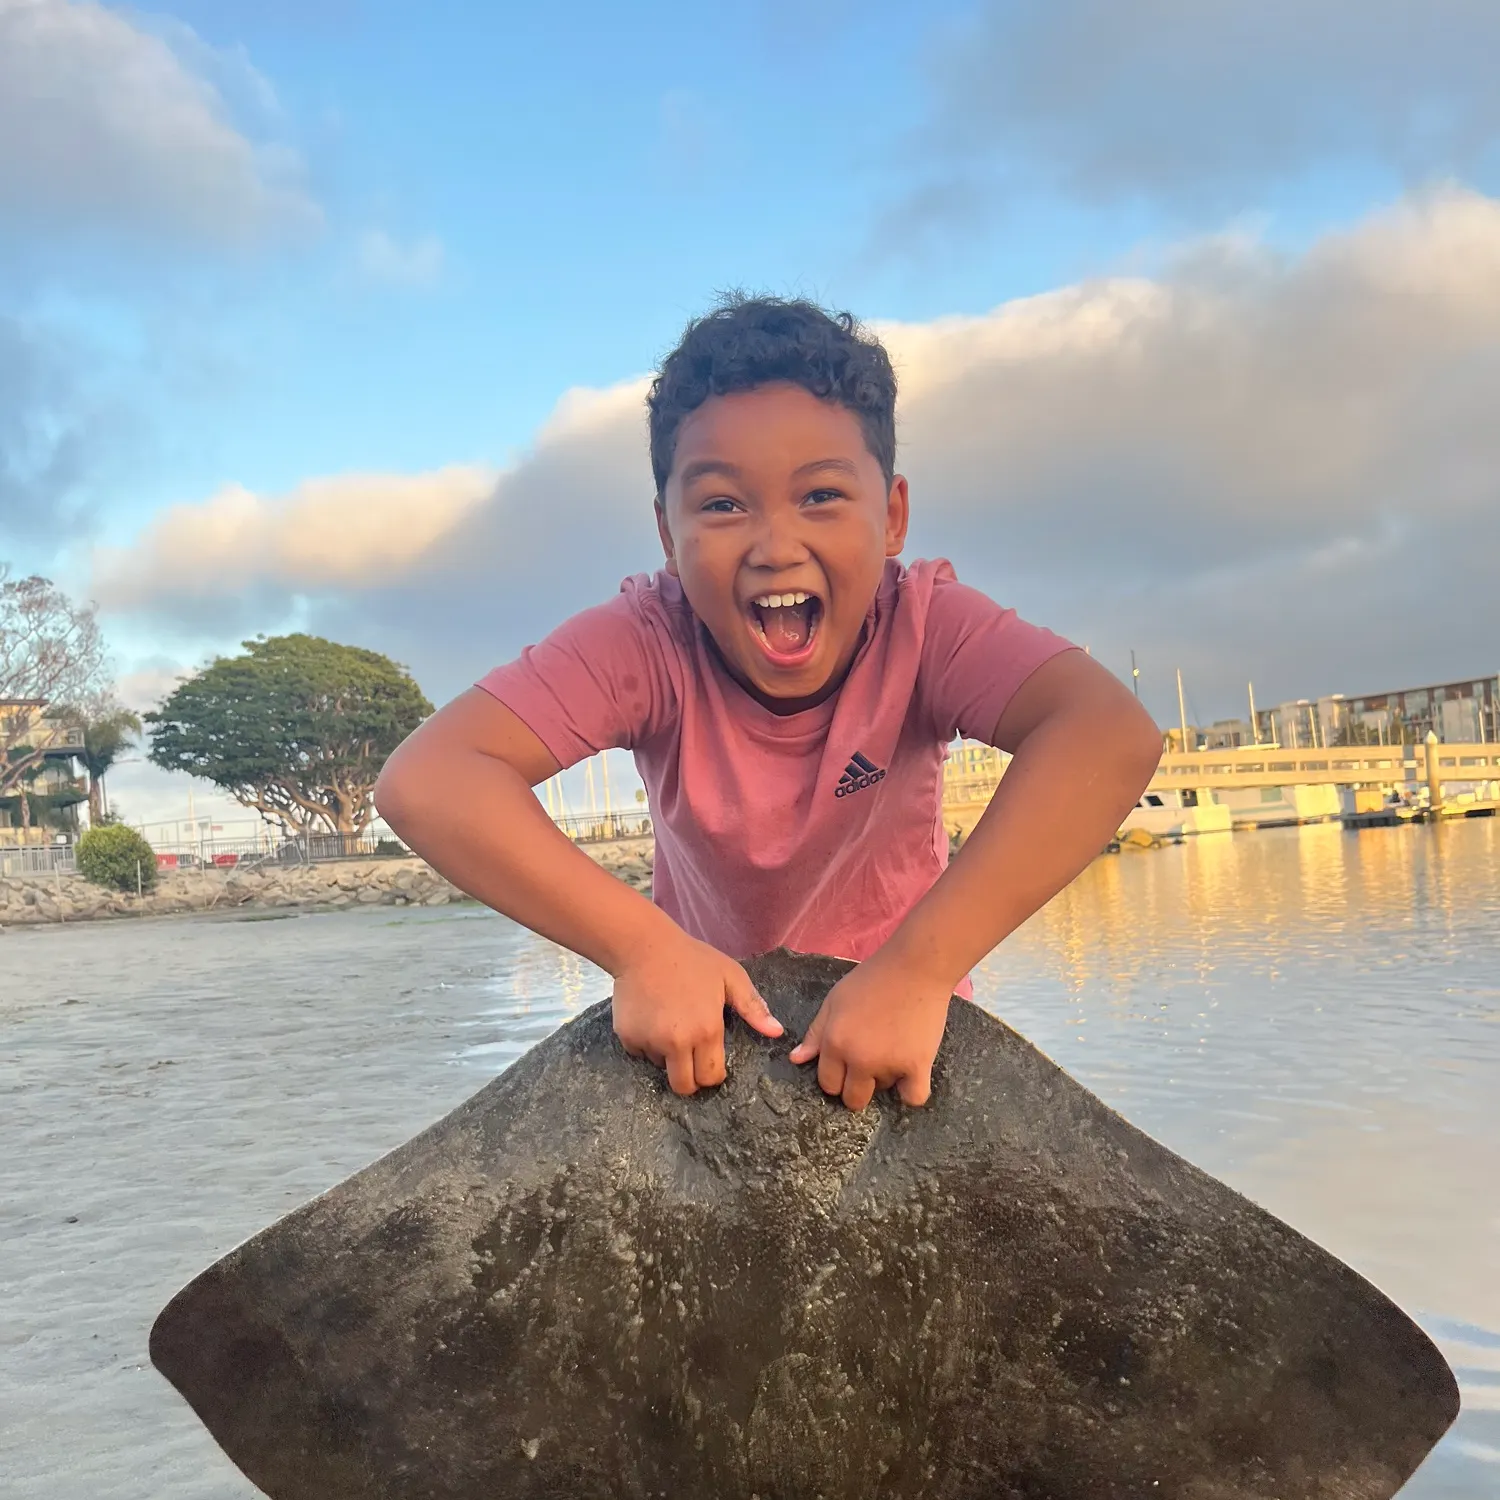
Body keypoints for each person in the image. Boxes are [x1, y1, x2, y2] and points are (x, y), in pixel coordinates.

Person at [375, 295, 1162, 1113]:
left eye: (821, 496)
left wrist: (919, 969)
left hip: (898, 1021)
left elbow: (1105, 734)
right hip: (713, 1033)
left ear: (891, 516)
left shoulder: (923, 627)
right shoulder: (649, 640)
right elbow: (428, 779)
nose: (776, 546)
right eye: (721, 504)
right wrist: (641, 950)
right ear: (666, 536)